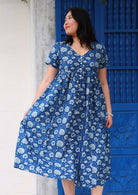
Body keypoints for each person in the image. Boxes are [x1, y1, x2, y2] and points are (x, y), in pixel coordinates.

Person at [14, 7, 113, 195]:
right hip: (65, 113)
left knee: (97, 156)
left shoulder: (98, 50)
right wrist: (33, 107)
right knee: (65, 157)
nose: (65, 22)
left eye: (70, 19)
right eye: (65, 19)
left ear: (81, 21)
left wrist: (109, 111)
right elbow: (47, 80)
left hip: (94, 112)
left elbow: (103, 83)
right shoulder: (60, 49)